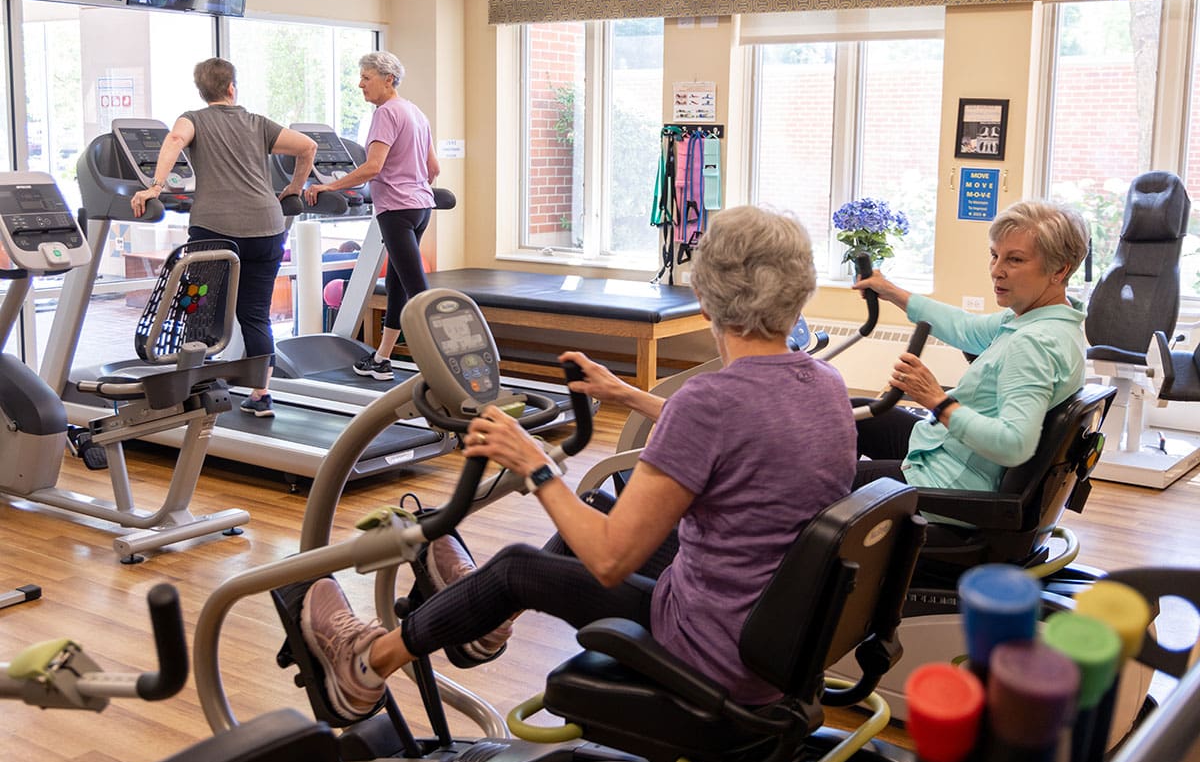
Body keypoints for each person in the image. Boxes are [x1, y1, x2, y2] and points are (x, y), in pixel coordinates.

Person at [300, 205, 859, 721]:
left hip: (708, 649)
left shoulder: (710, 403)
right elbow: (748, 428)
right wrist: (628, 395)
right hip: (772, 636)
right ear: (800, 292)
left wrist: (533, 464)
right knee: (592, 504)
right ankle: (483, 620)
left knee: (520, 565)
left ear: (707, 298)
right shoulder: (826, 384)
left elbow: (612, 559)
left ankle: (366, 665)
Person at [852, 200, 1090, 491]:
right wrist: (889, 291)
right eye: (994, 255)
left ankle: (832, 522)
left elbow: (1014, 444)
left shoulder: (1033, 342)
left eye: (1015, 260)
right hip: (946, 450)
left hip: (949, 480)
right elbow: (964, 327)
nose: (996, 270)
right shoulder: (1045, 321)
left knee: (815, 485)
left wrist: (937, 402)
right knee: (851, 413)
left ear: (1059, 271)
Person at [130, 58, 317, 417]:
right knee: (256, 315)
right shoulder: (258, 123)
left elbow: (174, 139)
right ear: (232, 88)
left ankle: (191, 388)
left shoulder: (193, 119)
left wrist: (155, 186)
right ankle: (262, 394)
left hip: (215, 233)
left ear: (202, 90)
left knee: (199, 311)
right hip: (266, 228)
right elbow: (307, 146)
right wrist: (293, 188)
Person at [303, 51, 439, 381]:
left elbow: (373, 167)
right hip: (420, 208)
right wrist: (412, 184)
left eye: (366, 77)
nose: (360, 84)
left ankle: (440, 366)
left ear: (388, 79)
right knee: (396, 285)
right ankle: (381, 359)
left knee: (417, 291)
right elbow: (433, 168)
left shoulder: (386, 113)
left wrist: (329, 187)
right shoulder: (416, 112)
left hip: (396, 210)